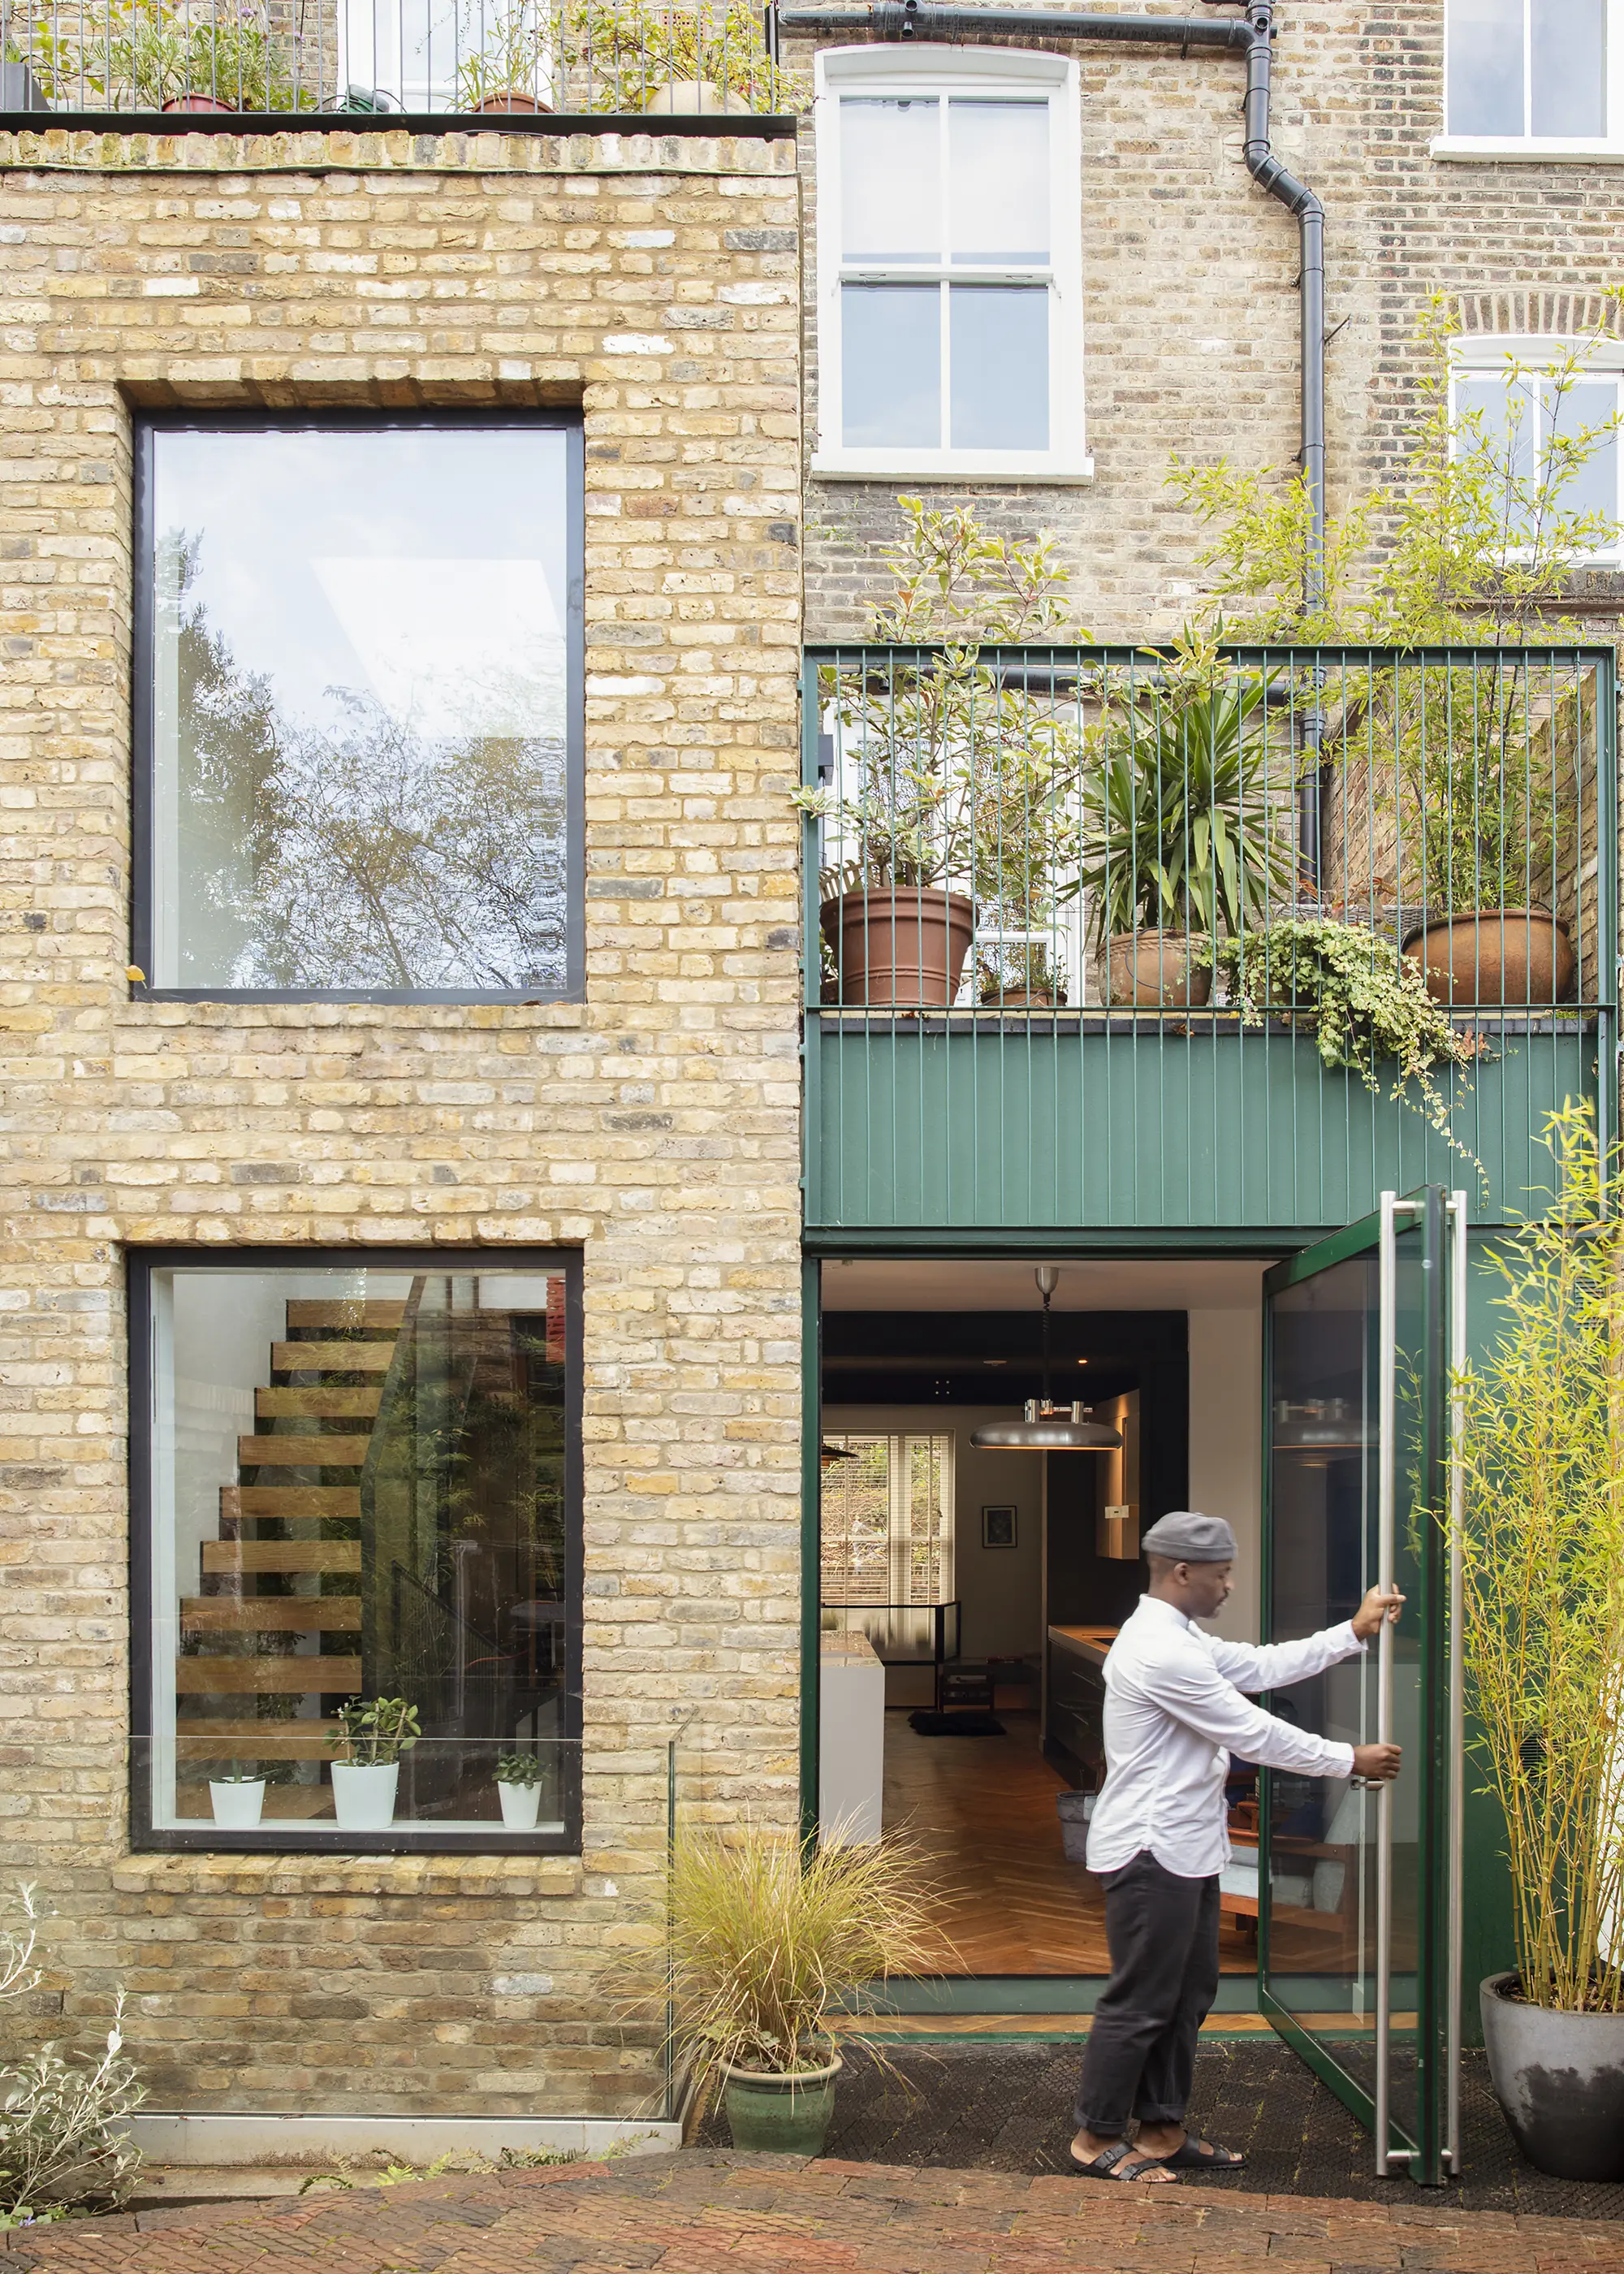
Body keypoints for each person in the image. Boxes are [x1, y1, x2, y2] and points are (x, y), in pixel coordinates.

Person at [1069, 1510, 1403, 2184]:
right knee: (1139, 2000)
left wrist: (1350, 1632)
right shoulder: (1158, 1650)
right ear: (1183, 1572)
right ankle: (1094, 2135)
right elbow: (1254, 1733)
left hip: (1186, 1846)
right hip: (1149, 1849)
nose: (1228, 1587)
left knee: (1188, 1992)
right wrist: (1348, 1759)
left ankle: (1162, 2129)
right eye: (1222, 1576)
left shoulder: (1181, 1635)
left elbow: (1259, 1664)